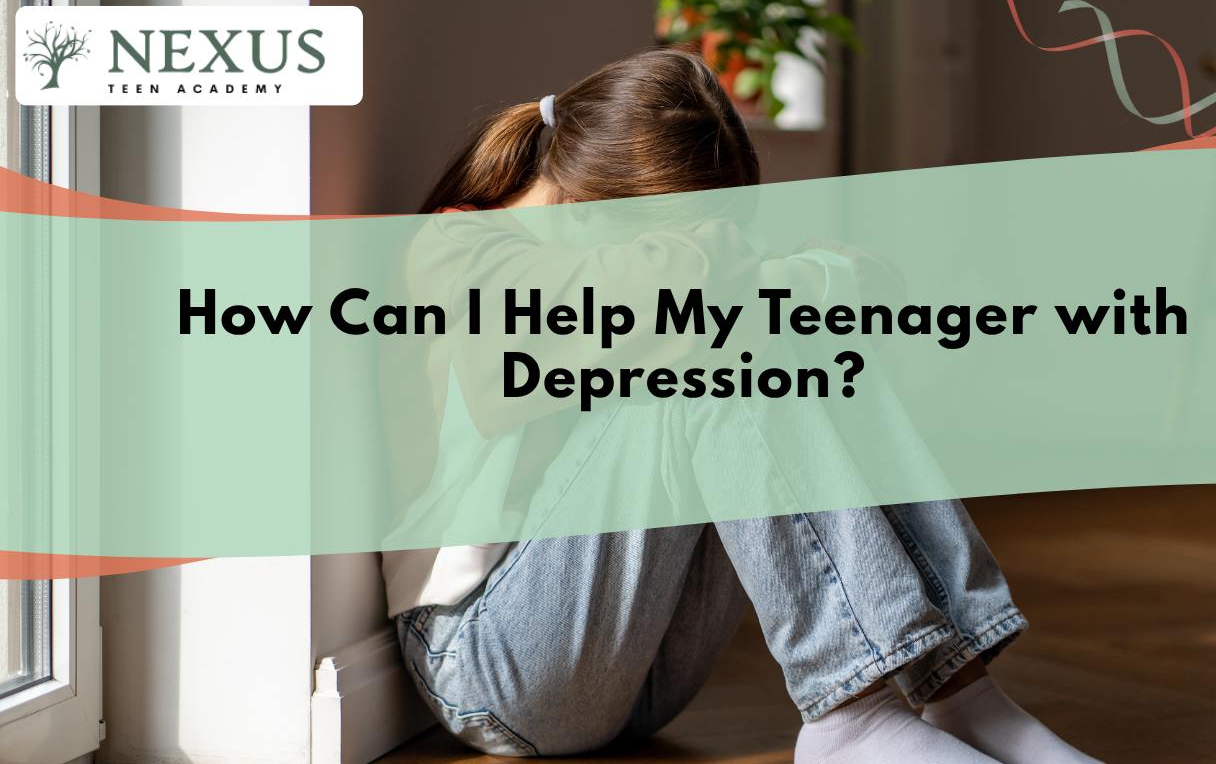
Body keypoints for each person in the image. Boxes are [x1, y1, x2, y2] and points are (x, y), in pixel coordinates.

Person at [382, 49, 1101, 764]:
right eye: (680, 233)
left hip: (638, 670)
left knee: (770, 341)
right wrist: (770, 276)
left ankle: (959, 692)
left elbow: (862, 290)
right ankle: (852, 714)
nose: (698, 246)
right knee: (724, 349)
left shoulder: (642, 267)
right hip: (487, 665)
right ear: (586, 201)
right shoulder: (460, 252)